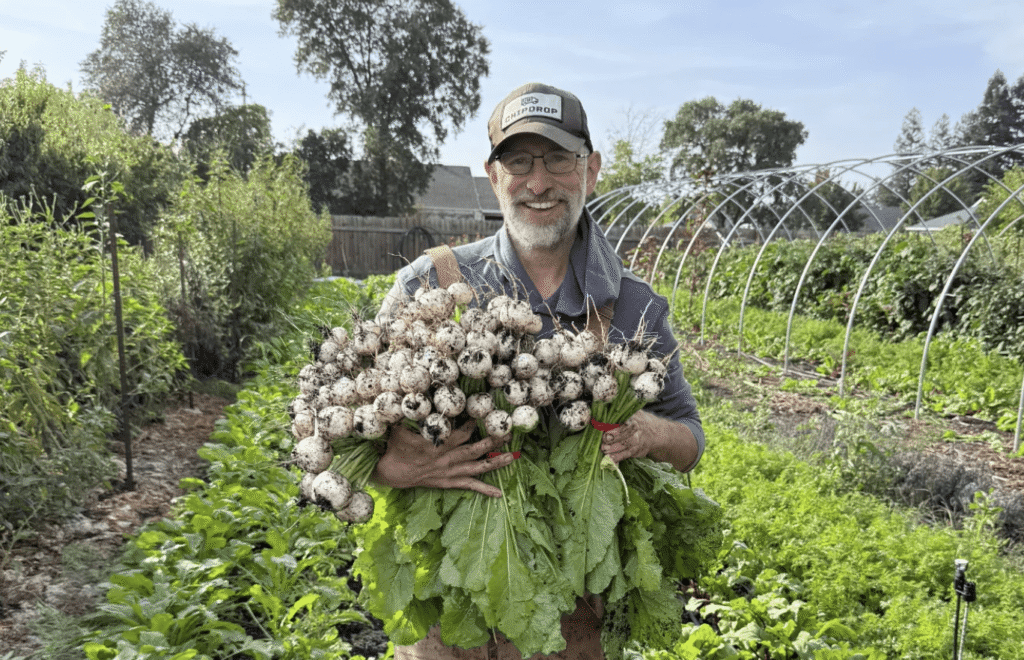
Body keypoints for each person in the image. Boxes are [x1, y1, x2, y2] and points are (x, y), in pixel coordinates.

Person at [373, 82, 704, 660]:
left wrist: (649, 434)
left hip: (575, 615)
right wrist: (388, 465)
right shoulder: (429, 283)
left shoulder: (634, 306)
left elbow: (692, 441)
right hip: (451, 610)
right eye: (519, 160)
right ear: (494, 175)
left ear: (591, 170)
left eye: (558, 159)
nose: (539, 181)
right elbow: (343, 436)